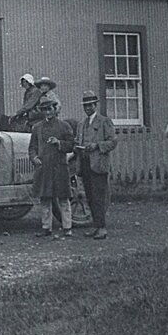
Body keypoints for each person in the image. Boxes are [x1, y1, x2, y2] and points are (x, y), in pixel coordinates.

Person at [28, 99, 76, 239]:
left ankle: (67, 227)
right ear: (42, 112)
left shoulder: (64, 126)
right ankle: (46, 228)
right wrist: (34, 158)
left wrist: (59, 143)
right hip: (44, 168)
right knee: (45, 199)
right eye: (45, 110)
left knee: (63, 198)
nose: (48, 112)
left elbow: (71, 145)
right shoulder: (37, 128)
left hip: (59, 167)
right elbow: (32, 147)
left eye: (50, 109)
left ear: (55, 110)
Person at [75, 90, 118, 240]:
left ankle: (102, 228)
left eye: (90, 105)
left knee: (99, 196)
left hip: (98, 164)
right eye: (85, 105)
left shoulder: (104, 121)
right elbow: (78, 141)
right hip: (85, 163)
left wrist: (97, 146)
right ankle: (95, 225)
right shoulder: (81, 124)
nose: (87, 108)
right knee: (90, 197)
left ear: (95, 105)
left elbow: (113, 142)